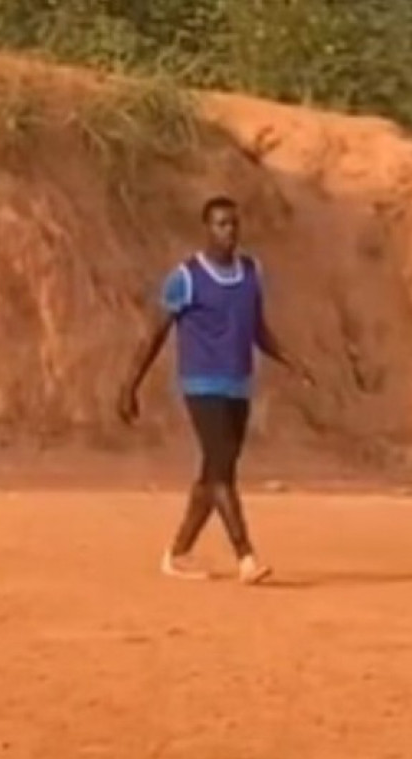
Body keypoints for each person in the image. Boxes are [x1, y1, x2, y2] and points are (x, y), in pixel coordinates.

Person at [117, 196, 316, 583]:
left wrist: (294, 361)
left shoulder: (251, 272)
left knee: (213, 472)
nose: (229, 232)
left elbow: (258, 329)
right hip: (201, 383)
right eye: (221, 225)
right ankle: (246, 556)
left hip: (238, 385)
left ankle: (177, 554)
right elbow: (155, 334)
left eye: (234, 224)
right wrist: (130, 385)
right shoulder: (187, 277)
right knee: (222, 471)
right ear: (206, 228)